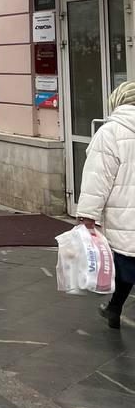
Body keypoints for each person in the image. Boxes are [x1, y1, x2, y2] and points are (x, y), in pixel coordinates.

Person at [78, 81, 135, 330]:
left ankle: (114, 308)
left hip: (125, 216)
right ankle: (114, 307)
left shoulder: (110, 132)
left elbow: (97, 178)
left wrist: (88, 216)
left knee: (127, 264)